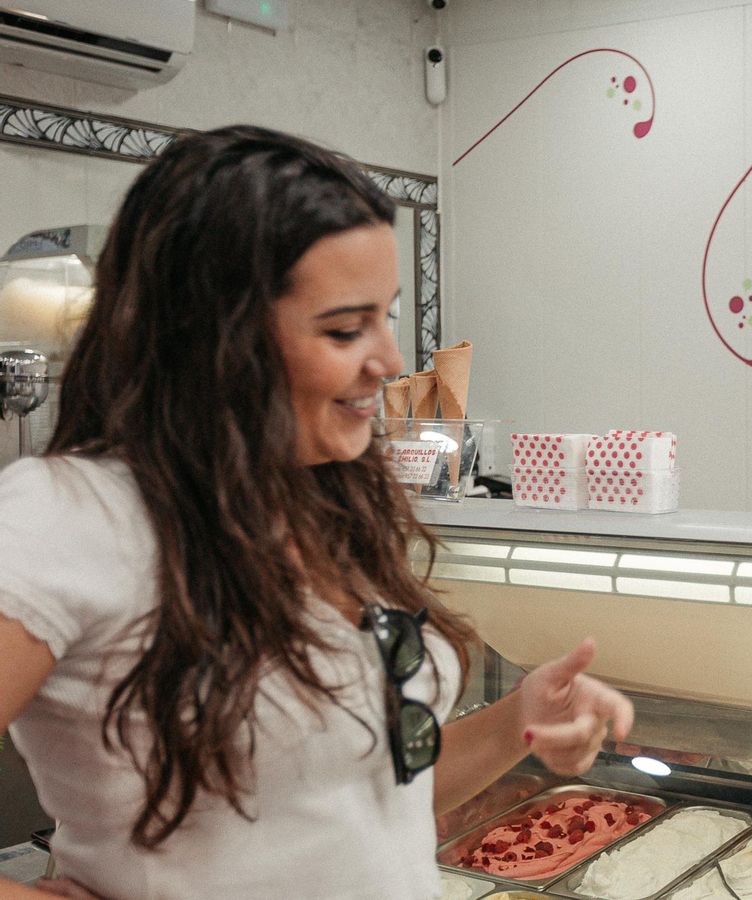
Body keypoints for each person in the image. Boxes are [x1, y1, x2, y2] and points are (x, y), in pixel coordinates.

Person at [0, 126, 633, 899]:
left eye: (386, 316)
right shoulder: (72, 516)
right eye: (344, 328)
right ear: (214, 338)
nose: (391, 361)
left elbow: (366, 805)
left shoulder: (327, 497)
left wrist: (518, 722)